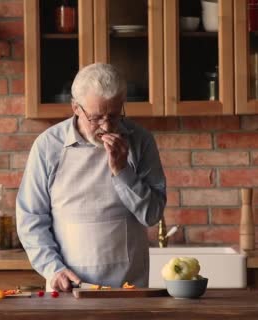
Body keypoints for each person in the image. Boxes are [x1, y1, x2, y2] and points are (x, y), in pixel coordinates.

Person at [16, 63, 166, 292]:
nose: (106, 126)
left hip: (129, 290)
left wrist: (122, 171)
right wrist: (52, 268)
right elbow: (31, 218)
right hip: (68, 286)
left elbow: (152, 215)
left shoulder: (140, 141)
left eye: (114, 116)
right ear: (76, 107)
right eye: (96, 118)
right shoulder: (48, 146)